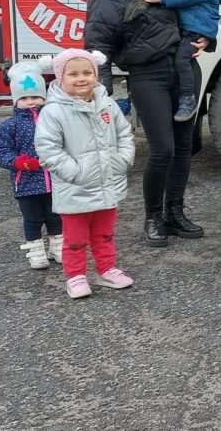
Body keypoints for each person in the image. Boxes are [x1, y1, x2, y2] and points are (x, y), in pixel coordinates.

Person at [85, 0, 206, 246]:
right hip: (147, 75)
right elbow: (98, 44)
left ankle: (174, 212)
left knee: (184, 148)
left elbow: (200, 13)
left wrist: (205, 39)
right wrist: (102, 90)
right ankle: (152, 216)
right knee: (162, 150)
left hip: (183, 71)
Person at [34, 49, 136, 299]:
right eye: (73, 74)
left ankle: (106, 269)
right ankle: (76, 275)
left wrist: (122, 160)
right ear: (60, 78)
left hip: (107, 181)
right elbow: (48, 149)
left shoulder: (107, 104)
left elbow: (124, 133)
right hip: (75, 187)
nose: (81, 78)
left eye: (87, 72)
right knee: (75, 237)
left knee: (105, 232)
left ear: (96, 74)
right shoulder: (54, 111)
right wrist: (75, 173)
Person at [0, 61, 61, 270]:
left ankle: (58, 247)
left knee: (56, 216)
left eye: (36, 97)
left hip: (55, 179)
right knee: (32, 218)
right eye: (25, 98)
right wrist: (16, 162)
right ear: (16, 100)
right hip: (26, 182)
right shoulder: (8, 126)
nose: (31, 102)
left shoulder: (53, 120)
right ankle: (36, 251)